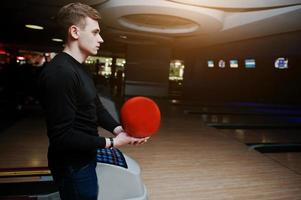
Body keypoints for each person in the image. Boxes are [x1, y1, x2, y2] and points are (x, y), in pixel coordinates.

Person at [38, 3, 148, 200]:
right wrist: (112, 142)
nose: (101, 39)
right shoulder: (61, 73)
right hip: (72, 165)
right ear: (75, 32)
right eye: (95, 32)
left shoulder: (79, 68)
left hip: (84, 158)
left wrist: (119, 130)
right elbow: (62, 137)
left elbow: (95, 107)